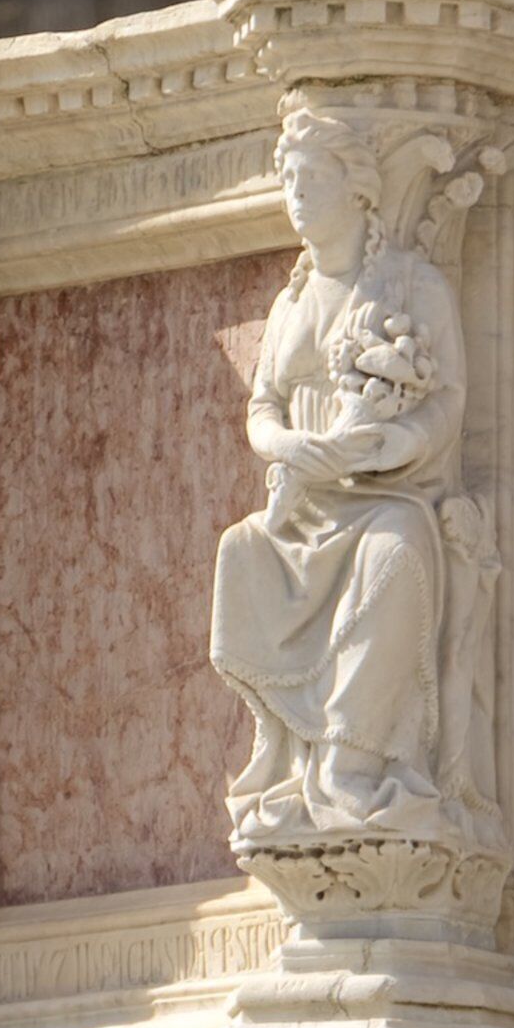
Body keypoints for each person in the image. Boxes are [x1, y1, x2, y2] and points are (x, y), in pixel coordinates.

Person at [209, 108, 479, 855]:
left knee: (393, 557)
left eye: (311, 178)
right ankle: (285, 753)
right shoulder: (291, 300)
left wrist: (383, 447)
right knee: (241, 547)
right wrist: (292, 447)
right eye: (288, 179)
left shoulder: (412, 284)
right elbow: (260, 405)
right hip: (303, 503)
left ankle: (351, 765)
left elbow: (447, 403)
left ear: (359, 189)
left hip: (386, 496)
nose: (295, 195)